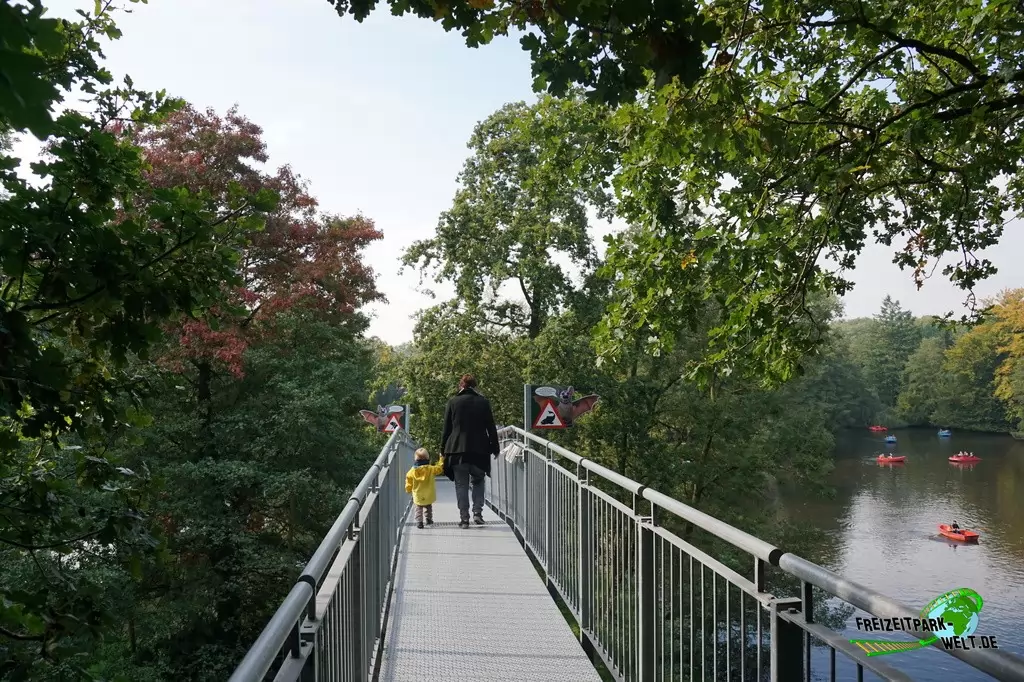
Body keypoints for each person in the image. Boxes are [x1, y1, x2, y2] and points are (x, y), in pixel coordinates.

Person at [441, 374, 499, 529]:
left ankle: (464, 519)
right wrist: (495, 448)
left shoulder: (453, 402)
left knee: (461, 485)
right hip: (480, 450)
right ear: (475, 386)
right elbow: (491, 427)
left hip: (457, 450)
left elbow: (447, 429)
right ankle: (477, 513)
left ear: (461, 385)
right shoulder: (483, 402)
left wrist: (443, 449)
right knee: (478, 480)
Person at [405, 447, 445, 529]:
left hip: (418, 494)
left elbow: (408, 480)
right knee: (428, 507)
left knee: (418, 508)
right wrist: (441, 459)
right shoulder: (431, 469)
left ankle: (419, 522)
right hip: (429, 494)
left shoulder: (412, 471)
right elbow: (439, 469)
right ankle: (429, 520)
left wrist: (408, 489)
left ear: (415, 459)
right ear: (427, 458)